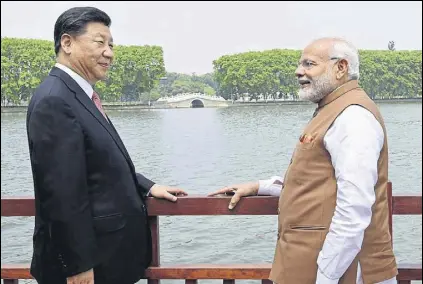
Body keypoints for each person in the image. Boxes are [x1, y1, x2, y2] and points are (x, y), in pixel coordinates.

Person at [209, 38, 398, 284]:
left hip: (345, 273)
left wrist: (327, 277)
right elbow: (318, 186)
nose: (299, 71)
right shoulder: (334, 109)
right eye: (300, 64)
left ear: (341, 68)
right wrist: (260, 186)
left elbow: (354, 208)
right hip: (315, 267)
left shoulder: (354, 117)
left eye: (309, 64)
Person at [26, 6, 187, 284]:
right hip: (87, 270)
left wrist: (148, 187)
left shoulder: (77, 94)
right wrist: (78, 267)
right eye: (99, 42)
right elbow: (62, 194)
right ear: (67, 43)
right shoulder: (55, 100)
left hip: (107, 261)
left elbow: (95, 163)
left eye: (111, 44)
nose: (109, 52)